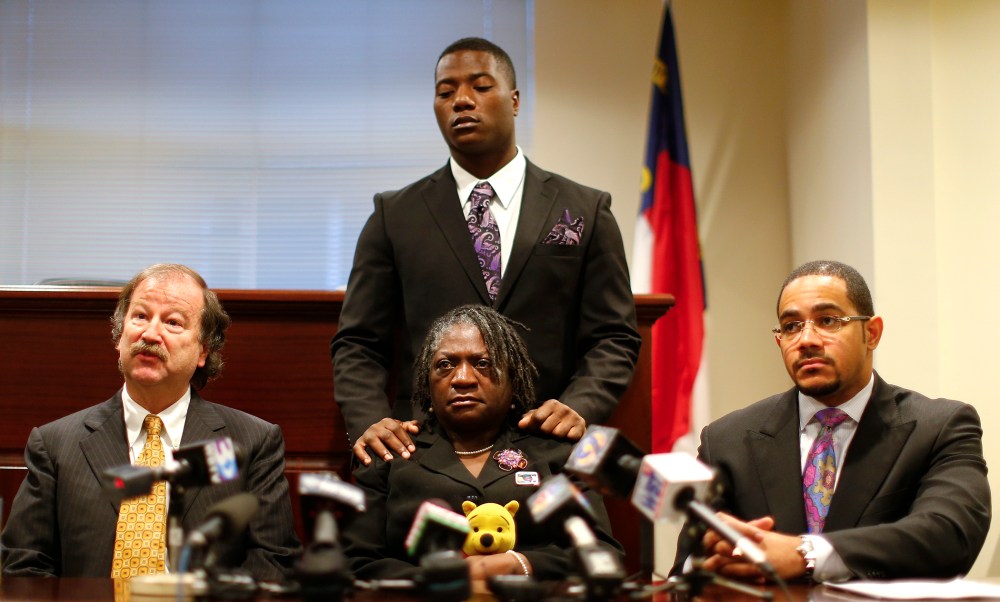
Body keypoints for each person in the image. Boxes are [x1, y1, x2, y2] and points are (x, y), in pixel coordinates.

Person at [331, 37, 641, 465]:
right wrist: (369, 419)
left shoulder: (585, 209)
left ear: (514, 100)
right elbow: (359, 341)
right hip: (425, 452)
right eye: (445, 92)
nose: (461, 101)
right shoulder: (394, 214)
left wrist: (580, 406)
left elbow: (614, 335)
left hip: (547, 446)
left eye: (479, 86)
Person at [673, 260, 990, 582]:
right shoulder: (727, 440)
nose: (807, 340)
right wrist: (713, 556)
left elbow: (950, 535)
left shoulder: (939, 426)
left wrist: (805, 554)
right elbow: (686, 567)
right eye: (791, 326)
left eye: (828, 320)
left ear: (872, 333)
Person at [1, 264, 301, 580]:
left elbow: (273, 561)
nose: (150, 333)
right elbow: (25, 566)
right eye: (140, 317)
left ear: (202, 350)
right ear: (119, 337)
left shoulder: (253, 443)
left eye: (172, 322)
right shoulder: (55, 444)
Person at [341, 305, 623, 581]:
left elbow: (603, 554)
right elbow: (356, 564)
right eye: (445, 365)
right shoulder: (389, 454)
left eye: (483, 363)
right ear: (427, 384)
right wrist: (443, 578)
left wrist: (517, 564)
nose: (462, 379)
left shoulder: (557, 452)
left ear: (514, 380)